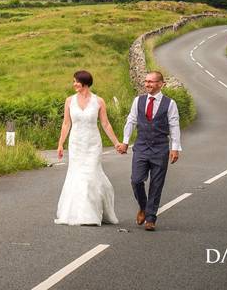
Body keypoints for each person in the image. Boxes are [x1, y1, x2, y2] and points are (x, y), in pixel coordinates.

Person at [54, 70, 124, 225]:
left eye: (76, 81)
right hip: (76, 143)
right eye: (73, 81)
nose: (74, 84)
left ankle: (93, 213)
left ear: (84, 82)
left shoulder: (98, 101)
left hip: (93, 144)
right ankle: (80, 214)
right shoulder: (69, 101)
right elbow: (66, 124)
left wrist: (116, 143)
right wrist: (60, 144)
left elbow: (105, 124)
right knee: (77, 176)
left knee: (91, 175)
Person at [117, 71, 182, 231]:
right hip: (141, 147)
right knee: (136, 180)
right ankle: (143, 206)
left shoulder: (170, 103)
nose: (147, 84)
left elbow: (174, 126)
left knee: (156, 184)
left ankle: (151, 218)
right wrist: (125, 142)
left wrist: (175, 148)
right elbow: (131, 120)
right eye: (146, 81)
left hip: (160, 148)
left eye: (151, 82)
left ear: (161, 84)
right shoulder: (137, 101)